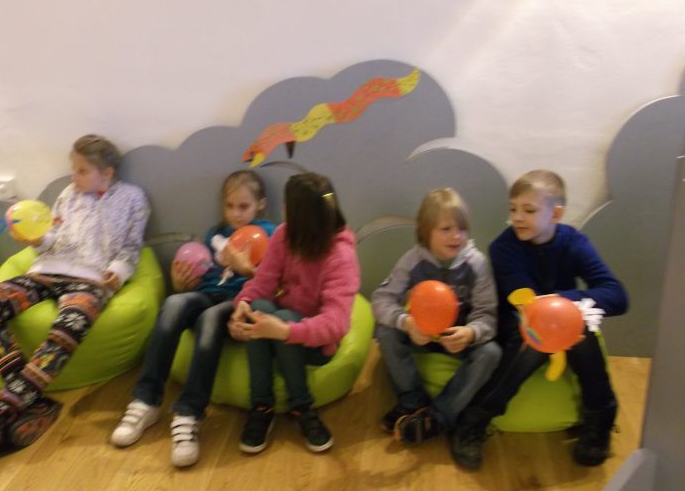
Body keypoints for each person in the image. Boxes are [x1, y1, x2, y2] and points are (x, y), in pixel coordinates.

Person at [0, 134, 150, 465]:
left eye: (82, 171)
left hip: (91, 280)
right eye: (73, 168)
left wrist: (118, 271)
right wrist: (35, 239)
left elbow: (132, 246)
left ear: (106, 172)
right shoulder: (68, 194)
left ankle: (7, 406)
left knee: (68, 327)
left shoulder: (133, 198)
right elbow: (52, 237)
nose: (73, 176)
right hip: (46, 272)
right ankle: (29, 398)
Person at [451, 170, 628, 470]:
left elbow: (617, 295)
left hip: (562, 320)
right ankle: (473, 421)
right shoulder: (503, 248)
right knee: (531, 342)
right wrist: (561, 309)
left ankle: (600, 418)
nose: (517, 217)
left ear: (555, 214)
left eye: (529, 210)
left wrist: (565, 301)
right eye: (513, 209)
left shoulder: (574, 242)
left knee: (584, 336)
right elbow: (526, 302)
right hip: (517, 322)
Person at [111, 170, 275, 468]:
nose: (236, 214)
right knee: (174, 303)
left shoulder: (269, 234)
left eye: (244, 206)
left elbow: (274, 285)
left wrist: (246, 268)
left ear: (260, 204)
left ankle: (189, 413)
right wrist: (180, 283)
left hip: (238, 303)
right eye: (230, 206)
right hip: (206, 294)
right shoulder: (216, 234)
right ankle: (146, 401)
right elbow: (203, 273)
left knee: (210, 318)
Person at [228, 172, 360, 454]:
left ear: (303, 215)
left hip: (316, 343)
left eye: (288, 206)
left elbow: (336, 323)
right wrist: (243, 305)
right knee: (259, 308)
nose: (284, 210)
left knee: (284, 317)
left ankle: (302, 406)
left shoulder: (340, 255)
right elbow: (263, 283)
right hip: (281, 326)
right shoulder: (284, 235)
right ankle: (261, 406)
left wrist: (286, 331)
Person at [371, 188, 501, 446]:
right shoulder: (412, 260)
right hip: (420, 332)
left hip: (458, 339)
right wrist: (407, 323)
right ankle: (412, 401)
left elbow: (488, 315)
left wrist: (471, 333)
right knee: (385, 331)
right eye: (446, 229)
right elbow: (381, 299)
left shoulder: (476, 264)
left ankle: (438, 416)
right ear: (426, 231)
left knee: (491, 353)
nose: (456, 236)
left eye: (462, 229)